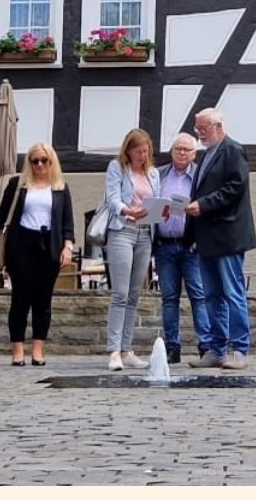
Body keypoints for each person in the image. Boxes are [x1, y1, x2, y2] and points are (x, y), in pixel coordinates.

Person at [0, 142, 75, 367]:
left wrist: (67, 246)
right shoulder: (19, 185)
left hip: (49, 244)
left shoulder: (60, 187)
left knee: (43, 300)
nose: (39, 165)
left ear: (51, 161)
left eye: (43, 160)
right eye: (34, 160)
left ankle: (38, 350)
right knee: (20, 298)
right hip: (22, 243)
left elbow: (67, 222)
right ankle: (17, 350)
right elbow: (1, 215)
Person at [186, 108, 256, 370]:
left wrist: (203, 204)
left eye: (202, 129)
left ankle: (240, 349)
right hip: (207, 236)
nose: (199, 134)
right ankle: (216, 349)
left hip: (228, 235)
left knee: (232, 293)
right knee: (212, 295)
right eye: (197, 129)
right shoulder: (207, 155)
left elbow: (234, 188)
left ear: (217, 126)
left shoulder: (233, 150)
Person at [103, 129, 159, 371]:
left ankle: (127, 348)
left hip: (145, 233)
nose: (142, 156)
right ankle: (114, 350)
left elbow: (156, 200)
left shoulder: (154, 173)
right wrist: (127, 210)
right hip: (123, 231)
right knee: (121, 293)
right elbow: (112, 199)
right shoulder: (117, 168)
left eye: (145, 152)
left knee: (135, 293)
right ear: (128, 151)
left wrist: (161, 210)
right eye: (138, 152)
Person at [154, 133, 210, 364]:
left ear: (194, 154)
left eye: (187, 149)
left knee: (198, 295)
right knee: (169, 298)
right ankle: (172, 347)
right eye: (178, 149)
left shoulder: (200, 176)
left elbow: (207, 207)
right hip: (164, 245)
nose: (182, 153)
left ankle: (206, 345)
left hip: (191, 246)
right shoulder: (159, 175)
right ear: (172, 151)